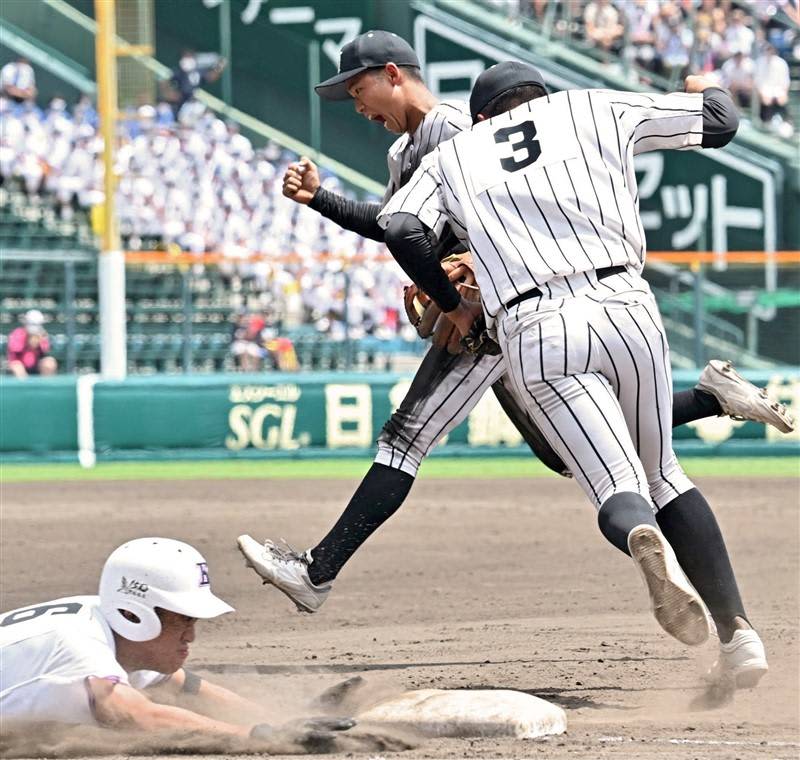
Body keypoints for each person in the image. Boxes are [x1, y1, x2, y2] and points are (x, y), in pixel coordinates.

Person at [237, 31, 792, 630]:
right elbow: (399, 226)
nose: (357, 104)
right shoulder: (405, 155)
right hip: (569, 306)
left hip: (505, 309)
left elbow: (478, 220)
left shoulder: (457, 130)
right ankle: (712, 398)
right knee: (562, 452)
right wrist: (325, 201)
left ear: (394, 73)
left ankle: (317, 571)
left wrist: (452, 296)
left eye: (359, 87)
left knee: (407, 436)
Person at [375, 61, 771, 688]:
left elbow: (398, 225)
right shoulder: (590, 106)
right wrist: (703, 88)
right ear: (541, 97)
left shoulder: (457, 152)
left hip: (536, 325)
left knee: (617, 485)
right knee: (664, 473)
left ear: (479, 118)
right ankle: (740, 637)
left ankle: (640, 535)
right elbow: (722, 122)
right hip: (628, 306)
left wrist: (446, 300)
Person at [0, 537, 354, 745]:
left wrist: (291, 717)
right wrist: (262, 733)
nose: (192, 636)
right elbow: (133, 714)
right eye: (182, 620)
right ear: (133, 613)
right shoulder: (78, 644)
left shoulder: (107, 623)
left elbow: (189, 687)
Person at [7, 309, 57, 378]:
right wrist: (29, 343)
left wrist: (39, 343)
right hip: (21, 365)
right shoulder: (18, 333)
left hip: (36, 366)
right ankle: (24, 388)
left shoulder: (42, 334)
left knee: (49, 363)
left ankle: (45, 387)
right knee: (17, 366)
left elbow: (45, 351)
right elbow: (16, 352)